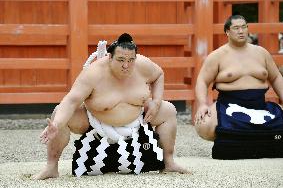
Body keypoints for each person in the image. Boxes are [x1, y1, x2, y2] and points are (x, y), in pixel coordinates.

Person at [32, 33, 188, 180]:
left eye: (131, 60)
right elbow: (71, 101)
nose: (126, 65)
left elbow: (159, 74)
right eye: (120, 60)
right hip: (95, 122)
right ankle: (51, 167)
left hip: (137, 120)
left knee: (168, 110)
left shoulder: (142, 65)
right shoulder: (93, 74)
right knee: (59, 112)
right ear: (109, 57)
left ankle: (169, 163)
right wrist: (57, 124)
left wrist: (156, 101)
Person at [194, 15, 283, 158]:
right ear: (227, 32)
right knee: (204, 124)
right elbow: (202, 81)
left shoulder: (261, 53)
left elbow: (276, 77)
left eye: (244, 27)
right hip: (229, 105)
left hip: (259, 106)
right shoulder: (217, 56)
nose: (241, 31)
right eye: (236, 28)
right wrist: (203, 104)